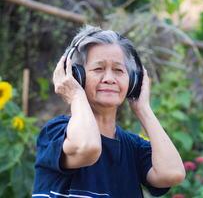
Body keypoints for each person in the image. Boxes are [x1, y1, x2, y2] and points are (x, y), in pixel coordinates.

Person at [32, 25, 185, 198]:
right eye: (98, 69)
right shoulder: (56, 133)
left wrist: (143, 109)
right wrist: (75, 94)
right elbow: (88, 147)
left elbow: (172, 173)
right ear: (76, 76)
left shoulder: (133, 147)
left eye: (119, 70)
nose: (109, 79)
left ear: (133, 82)